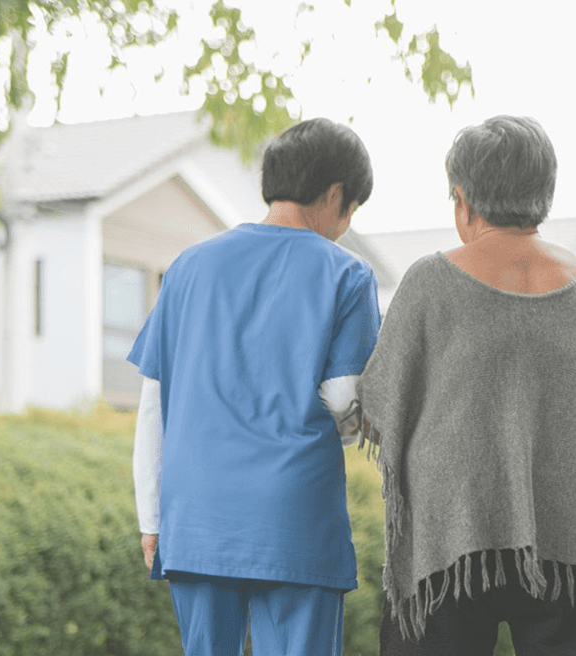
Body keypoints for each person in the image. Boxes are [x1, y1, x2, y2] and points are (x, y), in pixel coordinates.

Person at [358, 115, 576, 656]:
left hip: (449, 544)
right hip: (572, 541)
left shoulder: (429, 282)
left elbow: (379, 405)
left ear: (463, 200)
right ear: (544, 195)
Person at [129, 118, 382, 655]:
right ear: (335, 194)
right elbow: (344, 401)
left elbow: (155, 405)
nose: (345, 226)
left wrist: (152, 518)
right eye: (352, 211)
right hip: (294, 515)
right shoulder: (347, 274)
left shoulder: (186, 269)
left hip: (197, 516)